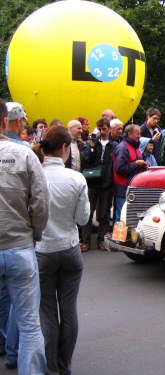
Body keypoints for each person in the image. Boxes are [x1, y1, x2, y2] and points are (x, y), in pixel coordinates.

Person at [31, 125, 89, 375]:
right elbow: (84, 219)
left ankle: (51, 368)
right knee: (68, 310)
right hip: (69, 248)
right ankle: (65, 367)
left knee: (46, 312)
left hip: (42, 250)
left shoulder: (34, 176)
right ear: (65, 148)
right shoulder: (76, 178)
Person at [0, 98, 49, 374]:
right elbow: (41, 203)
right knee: (29, 323)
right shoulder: (25, 154)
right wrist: (34, 234)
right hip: (19, 245)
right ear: (6, 121)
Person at [80, 118, 117, 251]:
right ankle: (86, 240)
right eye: (99, 129)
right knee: (88, 212)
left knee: (104, 213)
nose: (102, 131)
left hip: (106, 182)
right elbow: (85, 159)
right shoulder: (91, 143)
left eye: (104, 128)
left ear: (109, 128)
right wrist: (93, 145)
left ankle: (101, 239)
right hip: (91, 182)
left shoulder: (113, 145)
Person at [112, 124, 147, 223]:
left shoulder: (135, 147)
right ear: (129, 134)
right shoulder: (123, 148)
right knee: (121, 216)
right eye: (137, 134)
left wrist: (143, 166)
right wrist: (136, 164)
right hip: (123, 187)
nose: (139, 136)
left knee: (129, 215)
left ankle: (127, 237)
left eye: (140, 133)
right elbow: (119, 168)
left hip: (132, 187)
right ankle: (119, 238)